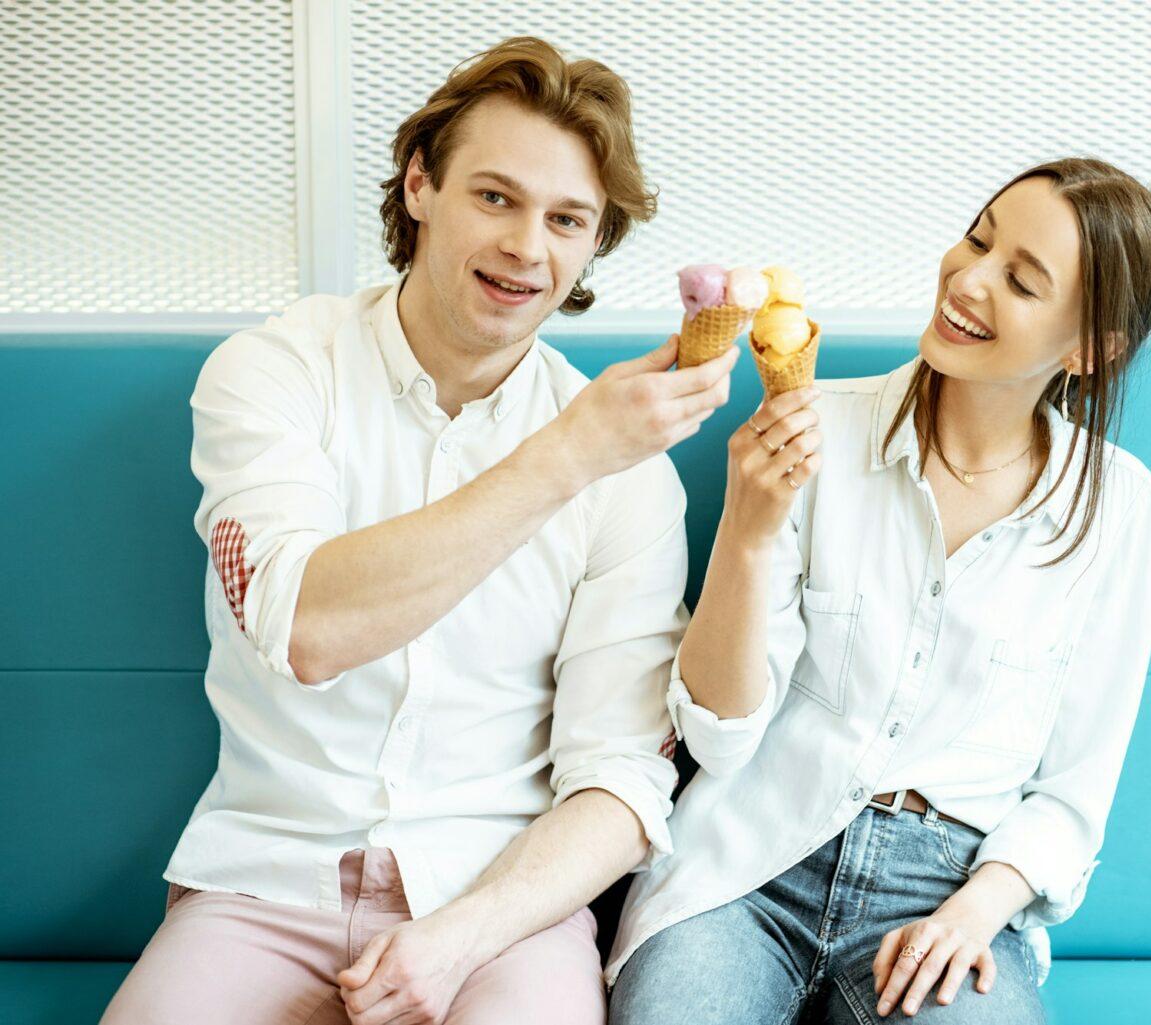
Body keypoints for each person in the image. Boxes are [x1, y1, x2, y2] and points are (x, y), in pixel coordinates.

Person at [101, 36, 737, 1025]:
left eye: (568, 218)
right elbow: (307, 624)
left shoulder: (631, 475)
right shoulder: (275, 374)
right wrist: (568, 453)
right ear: (419, 186)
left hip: (498, 911)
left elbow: (619, 781)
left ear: (591, 247)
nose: (530, 245)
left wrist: (462, 936)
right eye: (496, 196)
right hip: (263, 885)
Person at [608, 158, 1151, 1024]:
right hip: (746, 864)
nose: (969, 277)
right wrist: (750, 527)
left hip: (945, 892)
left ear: (1089, 349)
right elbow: (718, 740)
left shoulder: (1118, 506)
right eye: (978, 238)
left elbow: (1075, 790)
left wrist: (975, 912)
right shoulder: (815, 427)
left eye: (1021, 280)